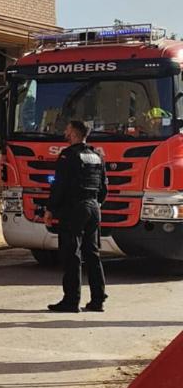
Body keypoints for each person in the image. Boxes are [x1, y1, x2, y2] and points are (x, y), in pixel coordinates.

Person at [45, 119, 108, 313]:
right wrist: (95, 204)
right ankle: (98, 300)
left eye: (67, 129)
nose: (65, 132)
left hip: (74, 209)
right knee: (93, 254)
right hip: (93, 207)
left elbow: (59, 186)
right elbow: (104, 188)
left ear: (73, 133)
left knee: (71, 254)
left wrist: (50, 209)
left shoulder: (68, 155)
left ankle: (71, 301)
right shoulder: (96, 156)